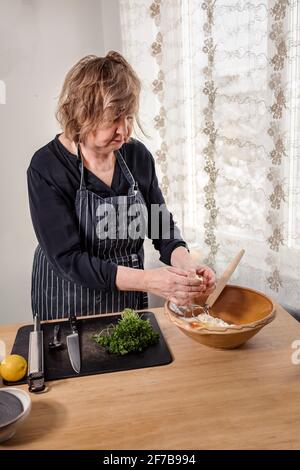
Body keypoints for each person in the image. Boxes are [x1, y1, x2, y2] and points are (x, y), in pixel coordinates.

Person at [27, 51, 216, 320]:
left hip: (126, 303)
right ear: (82, 113)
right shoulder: (47, 167)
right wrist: (150, 281)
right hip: (68, 306)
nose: (124, 131)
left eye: (129, 117)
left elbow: (160, 225)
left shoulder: (137, 156)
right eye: (114, 119)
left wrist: (187, 266)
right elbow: (68, 259)